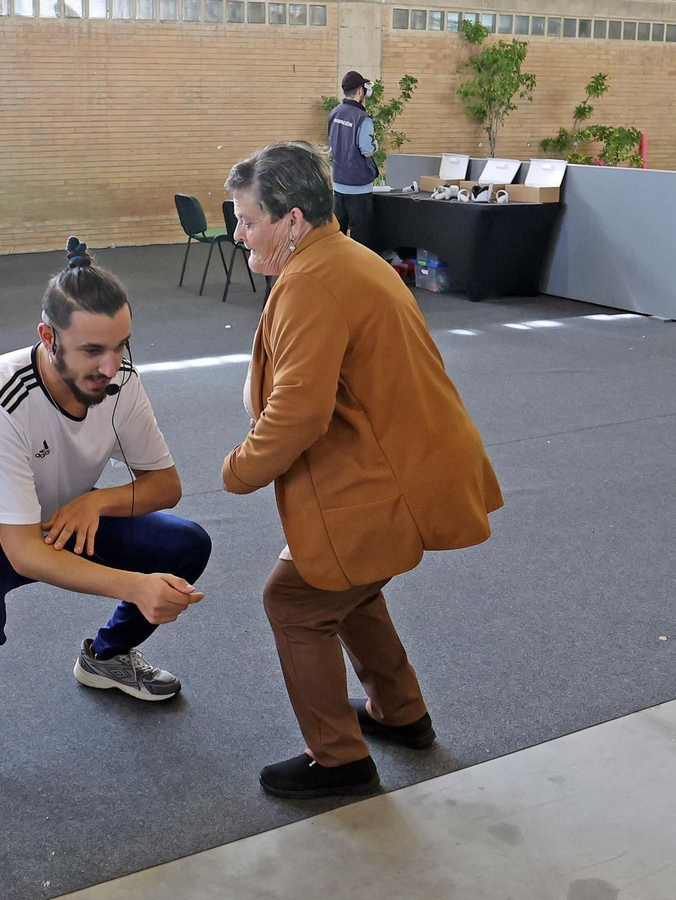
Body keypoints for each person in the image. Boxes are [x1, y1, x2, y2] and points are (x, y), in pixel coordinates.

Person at [222, 142, 504, 800]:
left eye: (248, 220)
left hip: (391, 476)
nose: (238, 233)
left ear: (292, 221)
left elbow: (298, 413)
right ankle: (400, 714)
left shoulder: (315, 283)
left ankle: (339, 760)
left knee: (293, 601)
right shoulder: (343, 259)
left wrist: (238, 469)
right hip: (404, 463)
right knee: (345, 585)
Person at [0, 237, 211, 790]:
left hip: (56, 519)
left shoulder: (120, 381)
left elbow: (165, 485)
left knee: (187, 544)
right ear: (48, 337)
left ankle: (107, 657)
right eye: (91, 350)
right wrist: (136, 587)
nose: (110, 366)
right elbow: (24, 553)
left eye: (121, 346)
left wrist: (97, 500)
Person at [327, 71, 378, 246]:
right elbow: (367, 150)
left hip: (339, 183)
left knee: (337, 235)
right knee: (360, 238)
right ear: (359, 92)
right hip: (359, 187)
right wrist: (376, 145)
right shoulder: (363, 119)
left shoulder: (335, 113)